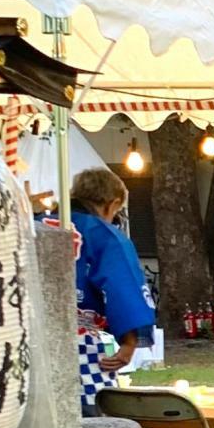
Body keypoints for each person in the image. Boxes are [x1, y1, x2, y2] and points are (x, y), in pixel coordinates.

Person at [68, 166, 156, 412]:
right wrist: (129, 343)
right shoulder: (103, 235)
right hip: (79, 343)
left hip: (28, 343)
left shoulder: (36, 222)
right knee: (93, 418)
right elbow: (123, 286)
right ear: (112, 204)